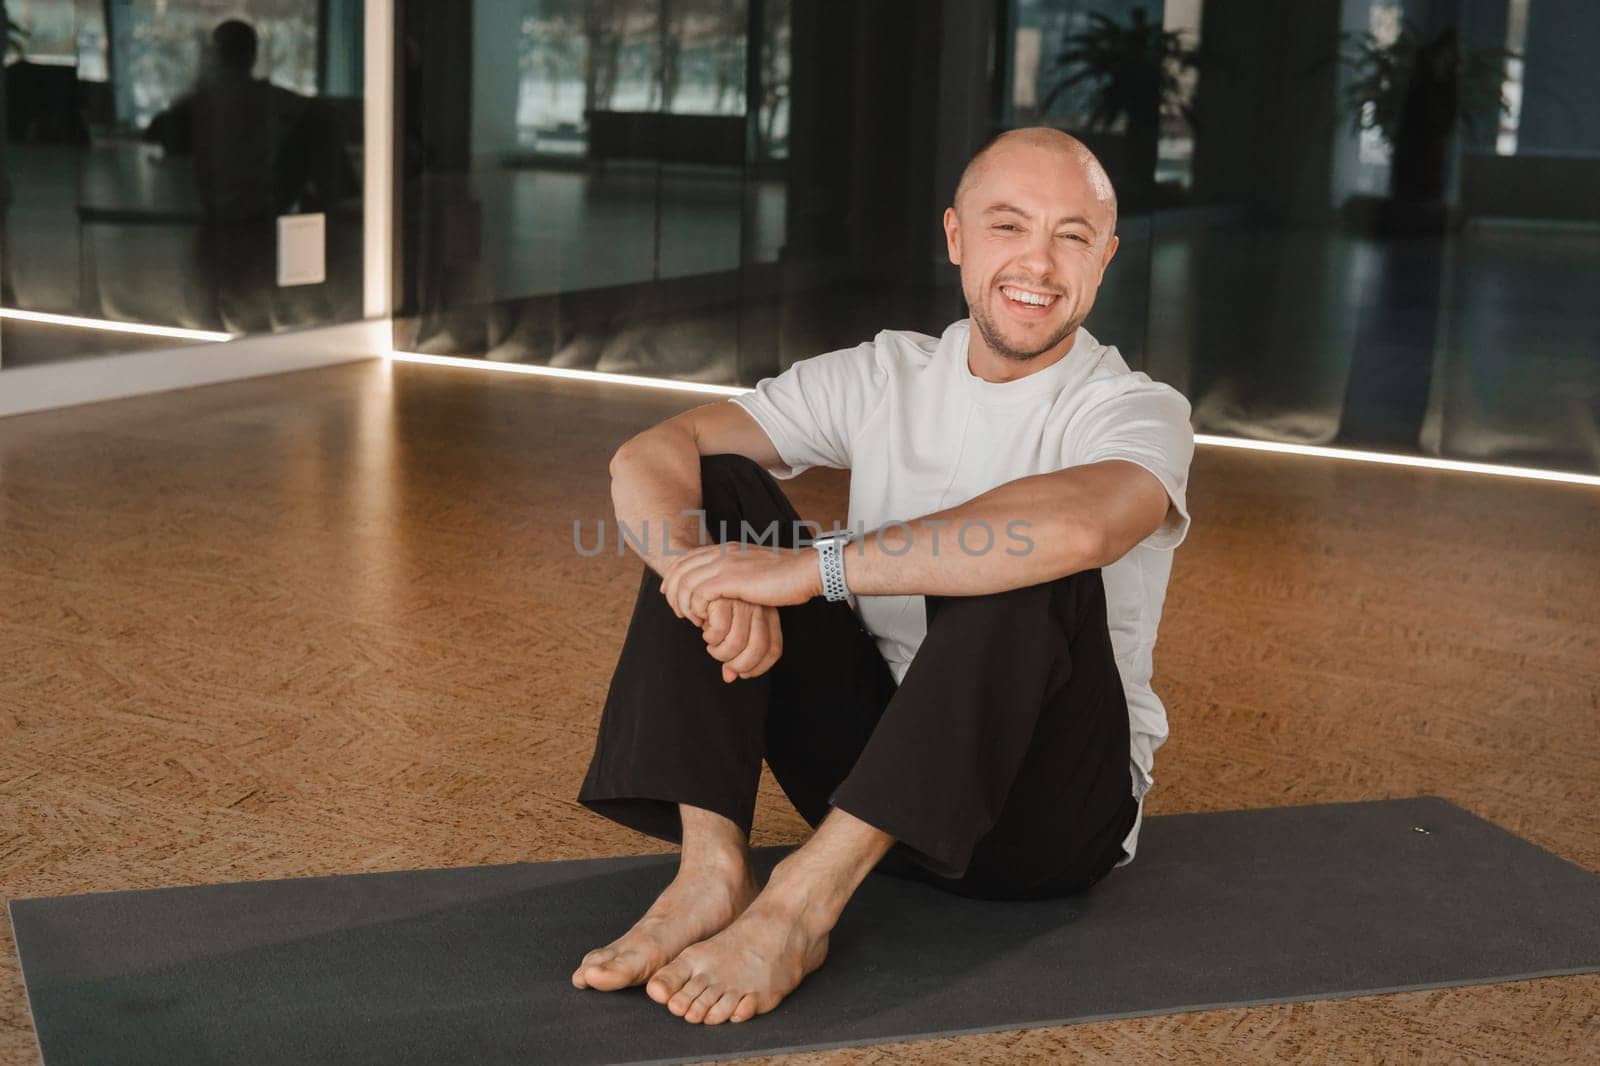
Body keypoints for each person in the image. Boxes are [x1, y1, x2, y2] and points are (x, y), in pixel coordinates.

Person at [571, 127, 1195, 1026]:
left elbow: (1087, 522)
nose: (1038, 262)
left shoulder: (1135, 408)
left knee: (1023, 553)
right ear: (956, 237)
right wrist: (701, 577)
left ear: (1106, 256)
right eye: (1009, 226)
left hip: (1041, 819)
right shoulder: (885, 373)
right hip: (869, 774)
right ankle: (710, 872)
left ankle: (799, 907)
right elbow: (655, 450)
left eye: (1071, 235)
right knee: (717, 491)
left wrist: (810, 571)